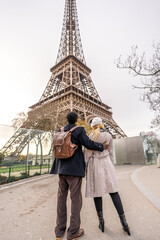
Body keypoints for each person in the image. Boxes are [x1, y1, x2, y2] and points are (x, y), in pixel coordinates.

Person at [50, 112, 108, 240]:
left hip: (61, 169)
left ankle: (59, 231)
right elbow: (88, 144)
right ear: (76, 120)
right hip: (74, 170)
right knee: (75, 199)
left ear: (67, 119)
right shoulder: (79, 130)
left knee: (61, 198)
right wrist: (101, 146)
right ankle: (73, 232)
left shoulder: (60, 130)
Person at [85, 117, 131, 236]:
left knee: (97, 193)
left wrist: (85, 168)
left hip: (95, 164)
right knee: (114, 191)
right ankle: (124, 222)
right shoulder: (108, 136)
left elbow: (87, 155)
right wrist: (112, 166)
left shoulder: (90, 137)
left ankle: (101, 222)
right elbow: (111, 152)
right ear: (101, 125)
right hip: (106, 163)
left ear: (92, 126)